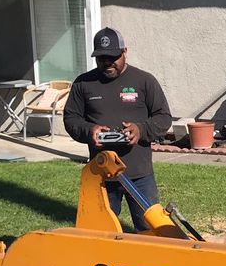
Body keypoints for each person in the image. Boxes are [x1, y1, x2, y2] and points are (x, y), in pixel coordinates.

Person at [63, 27, 172, 230]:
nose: (107, 62)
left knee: (151, 230)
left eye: (113, 57)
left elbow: (163, 118)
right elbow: (71, 119)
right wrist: (89, 131)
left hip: (139, 174)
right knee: (100, 231)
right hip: (101, 174)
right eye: (101, 57)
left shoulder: (144, 81)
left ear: (125, 52)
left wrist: (140, 130)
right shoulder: (83, 83)